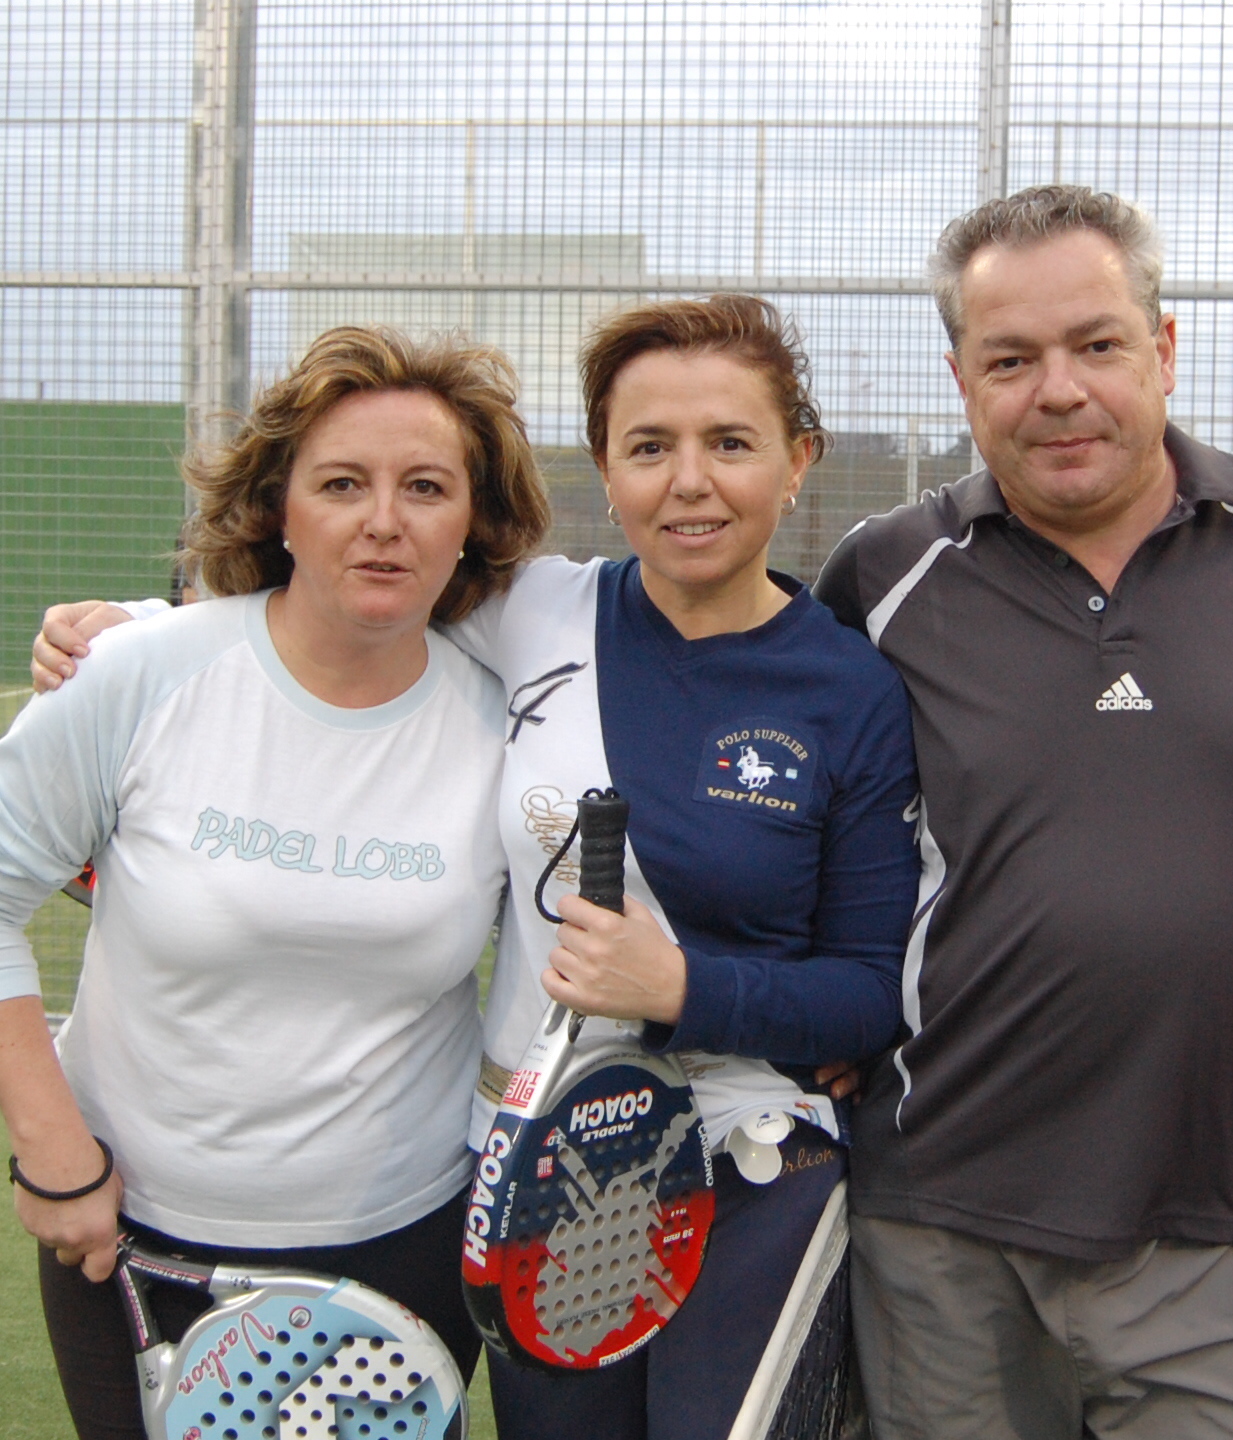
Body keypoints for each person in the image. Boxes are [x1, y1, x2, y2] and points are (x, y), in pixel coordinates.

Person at [37, 296, 922, 1440]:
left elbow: (867, 993)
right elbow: (335, 598)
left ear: (798, 460)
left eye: (732, 442)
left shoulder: (852, 690)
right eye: (649, 446)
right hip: (535, 1175)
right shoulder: (532, 609)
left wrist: (683, 989)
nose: (690, 482)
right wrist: (133, 627)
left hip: (752, 1179)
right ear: (605, 466)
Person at [811, 185, 1233, 1440]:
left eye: (1097, 344)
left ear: (1163, 349)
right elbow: (798, 808)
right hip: (938, 1220)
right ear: (963, 381)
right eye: (1011, 359)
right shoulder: (882, 574)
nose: (1058, 391)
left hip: (1209, 1215)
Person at [0, 326, 551, 1440]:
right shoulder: (139, 672)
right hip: (130, 1242)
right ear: (278, 510)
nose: (384, 520)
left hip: (408, 1248)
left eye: (426, 487)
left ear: (474, 523)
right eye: (342, 483)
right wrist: (55, 1154)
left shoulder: (512, 723)